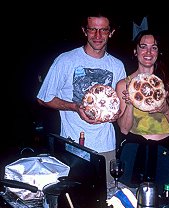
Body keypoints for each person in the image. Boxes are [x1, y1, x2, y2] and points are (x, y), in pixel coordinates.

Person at [36, 13, 126, 185]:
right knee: (73, 202)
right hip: (73, 147)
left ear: (111, 32)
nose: (98, 36)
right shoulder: (66, 60)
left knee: (105, 201)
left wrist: (116, 114)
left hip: (105, 147)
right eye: (92, 29)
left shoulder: (117, 65)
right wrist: (75, 107)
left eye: (103, 30)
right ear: (84, 31)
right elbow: (43, 98)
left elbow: (118, 106)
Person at [116, 30, 169, 198]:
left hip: (164, 152)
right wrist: (130, 103)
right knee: (129, 205)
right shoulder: (124, 85)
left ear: (158, 52)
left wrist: (165, 109)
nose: (148, 52)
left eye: (153, 48)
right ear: (135, 51)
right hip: (133, 151)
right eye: (143, 47)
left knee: (167, 205)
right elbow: (124, 129)